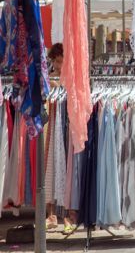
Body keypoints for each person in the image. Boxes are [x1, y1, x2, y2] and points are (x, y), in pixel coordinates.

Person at [47, 43, 63, 230]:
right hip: (51, 124)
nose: (58, 65)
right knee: (50, 168)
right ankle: (51, 214)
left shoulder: (68, 78)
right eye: (55, 61)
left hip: (64, 124)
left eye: (60, 61)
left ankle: (65, 214)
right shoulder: (50, 77)